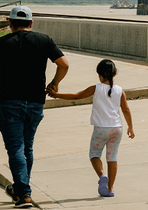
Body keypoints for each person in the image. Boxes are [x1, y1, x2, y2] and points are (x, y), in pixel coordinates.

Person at [0, 5, 69, 208]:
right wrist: (54, 83)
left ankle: (23, 193)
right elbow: (64, 64)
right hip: (35, 102)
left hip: (9, 101)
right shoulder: (45, 40)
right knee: (27, 146)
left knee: (16, 148)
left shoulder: (0, 43)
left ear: (9, 23)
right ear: (31, 23)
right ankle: (20, 188)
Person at [46, 59, 135, 197]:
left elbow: (76, 96)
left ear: (99, 75)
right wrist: (130, 127)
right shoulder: (120, 90)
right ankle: (110, 189)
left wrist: (56, 95)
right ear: (114, 74)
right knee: (112, 157)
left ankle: (102, 175)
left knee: (94, 154)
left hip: (101, 129)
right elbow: (126, 110)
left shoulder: (96, 88)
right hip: (117, 129)